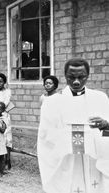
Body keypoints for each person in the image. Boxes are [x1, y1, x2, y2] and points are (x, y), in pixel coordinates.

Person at [38, 58, 109, 193]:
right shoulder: (52, 103)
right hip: (66, 160)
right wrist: (67, 137)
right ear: (65, 76)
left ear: (88, 76)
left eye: (81, 77)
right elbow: (44, 135)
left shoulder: (100, 98)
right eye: (71, 77)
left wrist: (106, 125)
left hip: (93, 160)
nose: (76, 81)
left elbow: (107, 132)